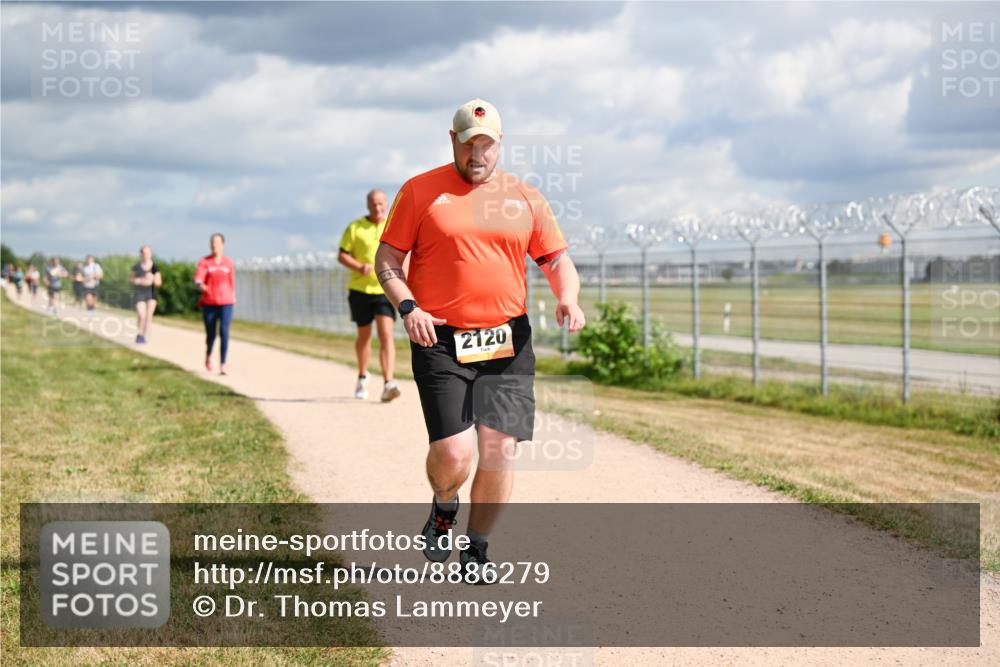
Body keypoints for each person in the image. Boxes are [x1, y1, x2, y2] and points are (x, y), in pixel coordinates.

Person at [374, 99, 586, 581]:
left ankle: (477, 551)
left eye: (486, 145)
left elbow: (555, 259)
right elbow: (387, 262)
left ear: (500, 145)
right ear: (453, 140)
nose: (477, 154)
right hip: (440, 338)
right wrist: (408, 307)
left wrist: (568, 298)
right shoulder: (420, 192)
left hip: (506, 340)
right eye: (468, 144)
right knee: (454, 453)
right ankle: (444, 504)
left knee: (498, 449)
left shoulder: (525, 197)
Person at [338, 189, 402, 402]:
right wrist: (358, 267)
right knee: (364, 336)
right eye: (374, 204)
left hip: (385, 289)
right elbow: (342, 255)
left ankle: (388, 382)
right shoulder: (355, 227)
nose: (377, 207)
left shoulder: (392, 226)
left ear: (386, 204)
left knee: (386, 334)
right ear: (367, 205)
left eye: (381, 204)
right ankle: (363, 376)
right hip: (360, 290)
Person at [194, 233, 235, 374]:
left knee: (224, 331)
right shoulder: (205, 262)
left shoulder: (228, 262)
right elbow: (199, 278)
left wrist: (233, 296)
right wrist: (201, 286)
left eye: (217, 242)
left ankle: (223, 363)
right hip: (209, 302)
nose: (214, 245)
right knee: (211, 334)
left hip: (226, 302)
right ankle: (209, 354)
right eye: (212, 242)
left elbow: (231, 282)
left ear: (223, 244)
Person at [131, 246, 162, 344]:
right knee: (142, 315)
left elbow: (159, 283)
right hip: (139, 293)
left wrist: (152, 278)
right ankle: (139, 332)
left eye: (148, 253)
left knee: (148, 316)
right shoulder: (136, 267)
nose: (146, 255)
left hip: (151, 293)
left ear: (151, 254)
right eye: (144, 253)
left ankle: (143, 335)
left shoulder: (155, 268)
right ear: (141, 254)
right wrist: (139, 280)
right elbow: (131, 280)